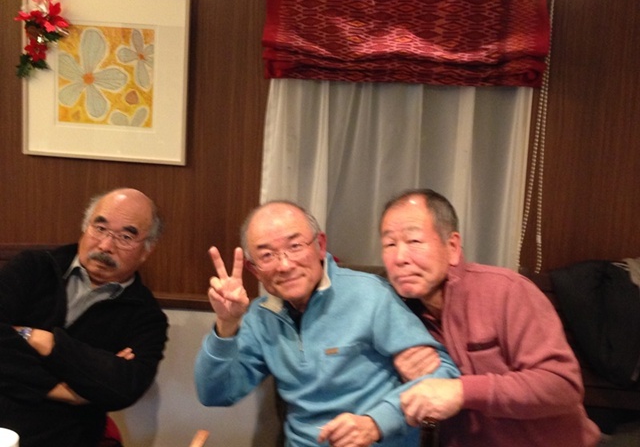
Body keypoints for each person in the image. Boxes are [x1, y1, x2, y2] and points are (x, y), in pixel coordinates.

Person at [194, 201, 459, 447]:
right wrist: (226, 324)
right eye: (267, 255)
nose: (284, 265)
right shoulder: (262, 316)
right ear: (254, 270)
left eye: (295, 246)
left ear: (320, 245)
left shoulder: (370, 295)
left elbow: (443, 375)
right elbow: (215, 394)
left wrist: (376, 422)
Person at [378, 188, 601, 447]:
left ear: (452, 247)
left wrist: (461, 391)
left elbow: (562, 385)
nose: (400, 258)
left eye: (414, 241)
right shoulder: (397, 311)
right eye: (390, 244)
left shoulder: (506, 291)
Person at [0, 188, 169, 447]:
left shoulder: (146, 317)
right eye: (100, 229)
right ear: (85, 227)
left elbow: (123, 388)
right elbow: (103, 384)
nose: (105, 246)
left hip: (62, 437)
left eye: (125, 237)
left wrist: (47, 342)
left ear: (147, 249)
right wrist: (64, 390)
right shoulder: (33, 267)